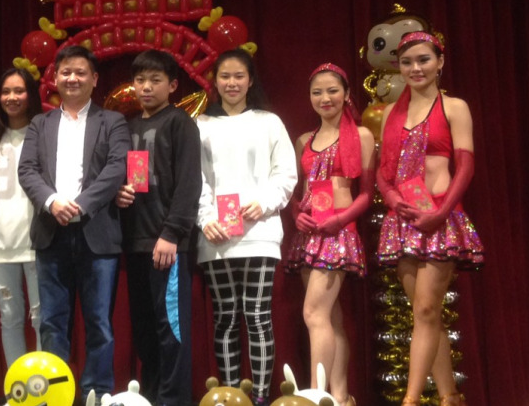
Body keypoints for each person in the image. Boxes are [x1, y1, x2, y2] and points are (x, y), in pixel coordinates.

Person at [376, 31, 483, 406]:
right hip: (403, 218)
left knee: (424, 308)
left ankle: (410, 399)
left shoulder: (454, 107)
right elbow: (383, 173)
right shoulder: (391, 114)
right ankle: (450, 396)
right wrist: (392, 199)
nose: (415, 68)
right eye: (407, 62)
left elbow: (465, 166)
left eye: (423, 60)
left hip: (441, 213)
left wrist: (441, 212)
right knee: (426, 313)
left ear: (440, 62)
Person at [18, 45, 130, 398]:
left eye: (80, 72)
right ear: (54, 78)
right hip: (51, 232)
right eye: (65, 72)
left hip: (98, 233)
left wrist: (80, 205)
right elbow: (27, 170)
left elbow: (117, 168)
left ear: (94, 79)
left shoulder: (113, 121)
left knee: (99, 322)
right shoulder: (40, 123)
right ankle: (56, 394)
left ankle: (97, 392)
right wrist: (52, 202)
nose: (72, 78)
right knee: (52, 321)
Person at [196, 49, 297, 406]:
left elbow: (285, 174)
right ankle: (229, 397)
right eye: (225, 76)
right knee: (225, 316)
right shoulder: (201, 125)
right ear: (215, 81)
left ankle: (261, 398)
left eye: (239, 76)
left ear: (250, 80)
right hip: (216, 236)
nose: (232, 83)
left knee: (257, 316)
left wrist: (264, 203)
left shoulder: (269, 122)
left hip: (260, 234)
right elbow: (195, 179)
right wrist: (205, 219)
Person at [285, 63, 375, 406]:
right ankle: (340, 396)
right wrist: (297, 214)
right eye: (317, 92)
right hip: (309, 235)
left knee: (314, 314)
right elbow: (296, 193)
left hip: (339, 232)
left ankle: (314, 395)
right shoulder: (303, 141)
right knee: (330, 318)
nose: (325, 98)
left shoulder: (361, 136)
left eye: (332, 90)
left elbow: (366, 193)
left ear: (347, 94)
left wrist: (341, 219)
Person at [115, 50, 200, 406]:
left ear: (173, 85)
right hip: (135, 242)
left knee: (171, 328)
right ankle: (149, 397)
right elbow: (131, 180)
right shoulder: (128, 127)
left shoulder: (180, 123)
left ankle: (174, 399)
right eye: (140, 80)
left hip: (167, 244)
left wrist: (171, 234)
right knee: (145, 329)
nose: (146, 87)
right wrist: (119, 194)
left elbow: (189, 183)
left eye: (155, 80)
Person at [0, 67, 44, 367]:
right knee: (9, 317)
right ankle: (16, 387)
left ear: (30, 95)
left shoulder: (43, 135)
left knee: (41, 317)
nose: (12, 97)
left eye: (19, 91)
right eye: (6, 91)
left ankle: (46, 386)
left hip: (36, 240)